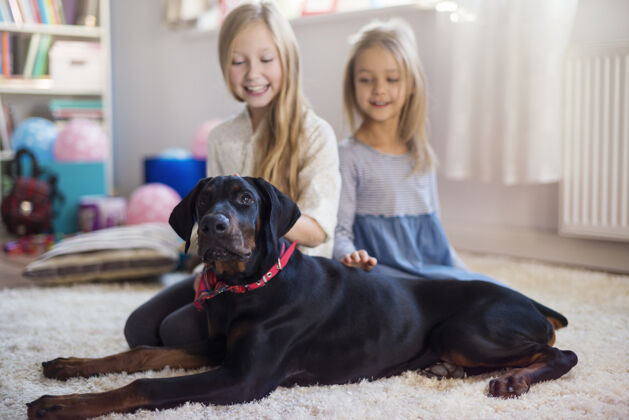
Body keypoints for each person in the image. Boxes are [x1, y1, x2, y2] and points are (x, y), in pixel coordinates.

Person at [124, 1, 340, 349]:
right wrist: (205, 272)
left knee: (176, 333)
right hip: (230, 268)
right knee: (140, 329)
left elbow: (316, 232)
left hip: (288, 278)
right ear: (226, 67)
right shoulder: (222, 136)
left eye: (266, 60)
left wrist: (257, 203)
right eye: (239, 62)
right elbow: (212, 222)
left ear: (288, 60)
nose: (253, 74)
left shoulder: (316, 134)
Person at [334, 19, 502, 285]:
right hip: (384, 276)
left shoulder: (421, 154)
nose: (379, 89)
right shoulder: (349, 156)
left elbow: (436, 236)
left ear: (412, 84)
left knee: (495, 292)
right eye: (366, 79)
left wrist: (469, 277)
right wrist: (351, 257)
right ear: (352, 86)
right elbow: (340, 233)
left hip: (428, 272)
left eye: (392, 79)